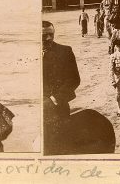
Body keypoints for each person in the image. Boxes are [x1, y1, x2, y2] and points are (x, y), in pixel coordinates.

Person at [42, 21, 81, 155]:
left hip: (58, 107)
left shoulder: (65, 51)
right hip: (37, 110)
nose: (48, 38)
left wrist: (53, 99)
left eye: (51, 34)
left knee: (62, 145)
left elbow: (74, 79)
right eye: (44, 35)